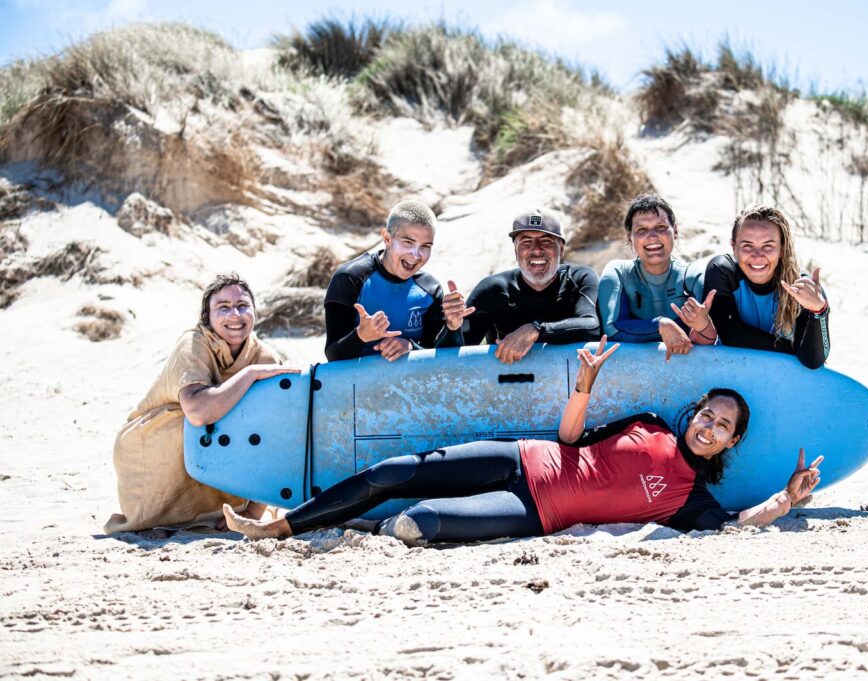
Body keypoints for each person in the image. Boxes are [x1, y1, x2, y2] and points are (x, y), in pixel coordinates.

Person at [224, 336, 824, 545]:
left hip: (534, 511)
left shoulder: (689, 499)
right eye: (708, 413)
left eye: (722, 426)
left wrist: (787, 501)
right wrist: (585, 385)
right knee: (394, 474)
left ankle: (353, 525)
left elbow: (740, 525)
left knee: (420, 524)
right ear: (693, 411)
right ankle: (280, 527)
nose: (709, 426)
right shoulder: (652, 423)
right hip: (525, 455)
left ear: (729, 442)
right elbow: (571, 436)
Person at [104, 273, 299, 533]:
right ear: (207, 317)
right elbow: (198, 412)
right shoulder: (193, 344)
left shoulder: (263, 355)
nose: (234, 315)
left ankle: (235, 509)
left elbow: (280, 431)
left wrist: (254, 510)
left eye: (243, 306)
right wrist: (249, 375)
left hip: (214, 447)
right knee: (200, 422)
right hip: (154, 446)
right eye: (223, 308)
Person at [436, 208, 600, 364]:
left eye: (546, 241)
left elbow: (592, 326)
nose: (536, 250)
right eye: (526, 241)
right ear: (515, 250)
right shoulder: (493, 289)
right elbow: (449, 361)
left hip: (570, 385)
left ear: (562, 249)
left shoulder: (579, 278)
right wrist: (452, 327)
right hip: (507, 387)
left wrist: (536, 330)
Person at [704, 205, 830, 369]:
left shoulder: (803, 288)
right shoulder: (723, 272)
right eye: (747, 245)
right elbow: (731, 335)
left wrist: (818, 311)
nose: (757, 255)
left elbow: (812, 361)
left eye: (768, 245)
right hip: (729, 374)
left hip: (780, 381)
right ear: (733, 247)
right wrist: (791, 349)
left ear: (782, 249)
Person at [598, 194, 719, 360]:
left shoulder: (692, 278)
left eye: (661, 227)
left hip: (685, 374)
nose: (652, 236)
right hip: (628, 374)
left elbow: (705, 344)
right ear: (629, 238)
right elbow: (611, 331)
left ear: (675, 231)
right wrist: (660, 325)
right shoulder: (618, 273)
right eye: (641, 230)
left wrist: (703, 325)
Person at [324, 200, 445, 362]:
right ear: (387, 238)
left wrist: (411, 346)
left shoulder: (431, 289)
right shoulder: (350, 278)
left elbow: (436, 356)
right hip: (356, 385)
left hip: (411, 384)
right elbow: (332, 354)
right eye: (408, 242)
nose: (416, 255)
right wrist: (361, 336)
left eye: (425, 246)